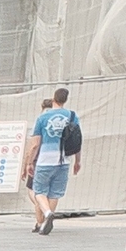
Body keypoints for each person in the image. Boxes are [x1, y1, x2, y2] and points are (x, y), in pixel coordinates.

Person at [23, 88, 80, 234]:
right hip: (64, 161)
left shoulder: (43, 118)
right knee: (55, 193)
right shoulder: (72, 116)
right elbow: (77, 141)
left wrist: (29, 162)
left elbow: (35, 144)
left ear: (53, 99)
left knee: (39, 191)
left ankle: (47, 214)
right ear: (65, 100)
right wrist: (77, 161)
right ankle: (45, 223)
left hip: (45, 160)